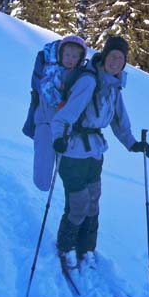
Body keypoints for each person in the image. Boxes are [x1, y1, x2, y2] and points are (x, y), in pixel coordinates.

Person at [50, 35, 149, 270]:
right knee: (79, 203)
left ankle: (86, 248)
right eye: (113, 56)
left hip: (95, 153)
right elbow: (65, 115)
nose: (116, 62)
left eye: (121, 59)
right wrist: (58, 138)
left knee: (93, 202)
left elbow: (119, 122)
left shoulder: (114, 86)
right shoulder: (89, 82)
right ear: (104, 56)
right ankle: (65, 247)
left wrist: (133, 143)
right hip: (73, 150)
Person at [32, 35, 88, 191]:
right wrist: (61, 101)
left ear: (80, 58)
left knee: (67, 166)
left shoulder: (79, 77)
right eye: (67, 55)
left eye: (75, 56)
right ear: (60, 54)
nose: (70, 59)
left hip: (63, 129)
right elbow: (45, 93)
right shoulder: (50, 72)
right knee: (43, 164)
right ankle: (38, 192)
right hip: (45, 123)